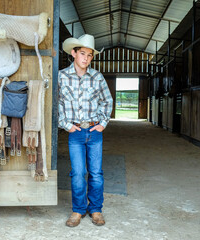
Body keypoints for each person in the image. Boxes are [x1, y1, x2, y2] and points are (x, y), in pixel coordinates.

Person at [58, 34, 113, 227]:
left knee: (96, 173)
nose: (86, 59)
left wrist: (103, 123)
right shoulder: (62, 76)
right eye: (82, 54)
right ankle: (78, 210)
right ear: (74, 53)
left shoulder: (97, 77)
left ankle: (96, 209)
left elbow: (107, 100)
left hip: (94, 131)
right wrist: (65, 124)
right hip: (76, 133)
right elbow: (56, 103)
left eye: (90, 55)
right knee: (78, 172)